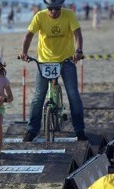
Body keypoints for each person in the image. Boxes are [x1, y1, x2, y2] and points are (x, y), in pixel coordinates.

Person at [19, 0, 87, 142]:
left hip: (66, 60)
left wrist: (79, 50)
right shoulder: (39, 16)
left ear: (61, 7)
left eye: (57, 9)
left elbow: (77, 34)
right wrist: (24, 52)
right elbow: (28, 36)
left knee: (73, 94)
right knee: (38, 96)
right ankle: (32, 130)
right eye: (51, 9)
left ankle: (79, 130)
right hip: (44, 61)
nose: (53, 12)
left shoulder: (69, 15)